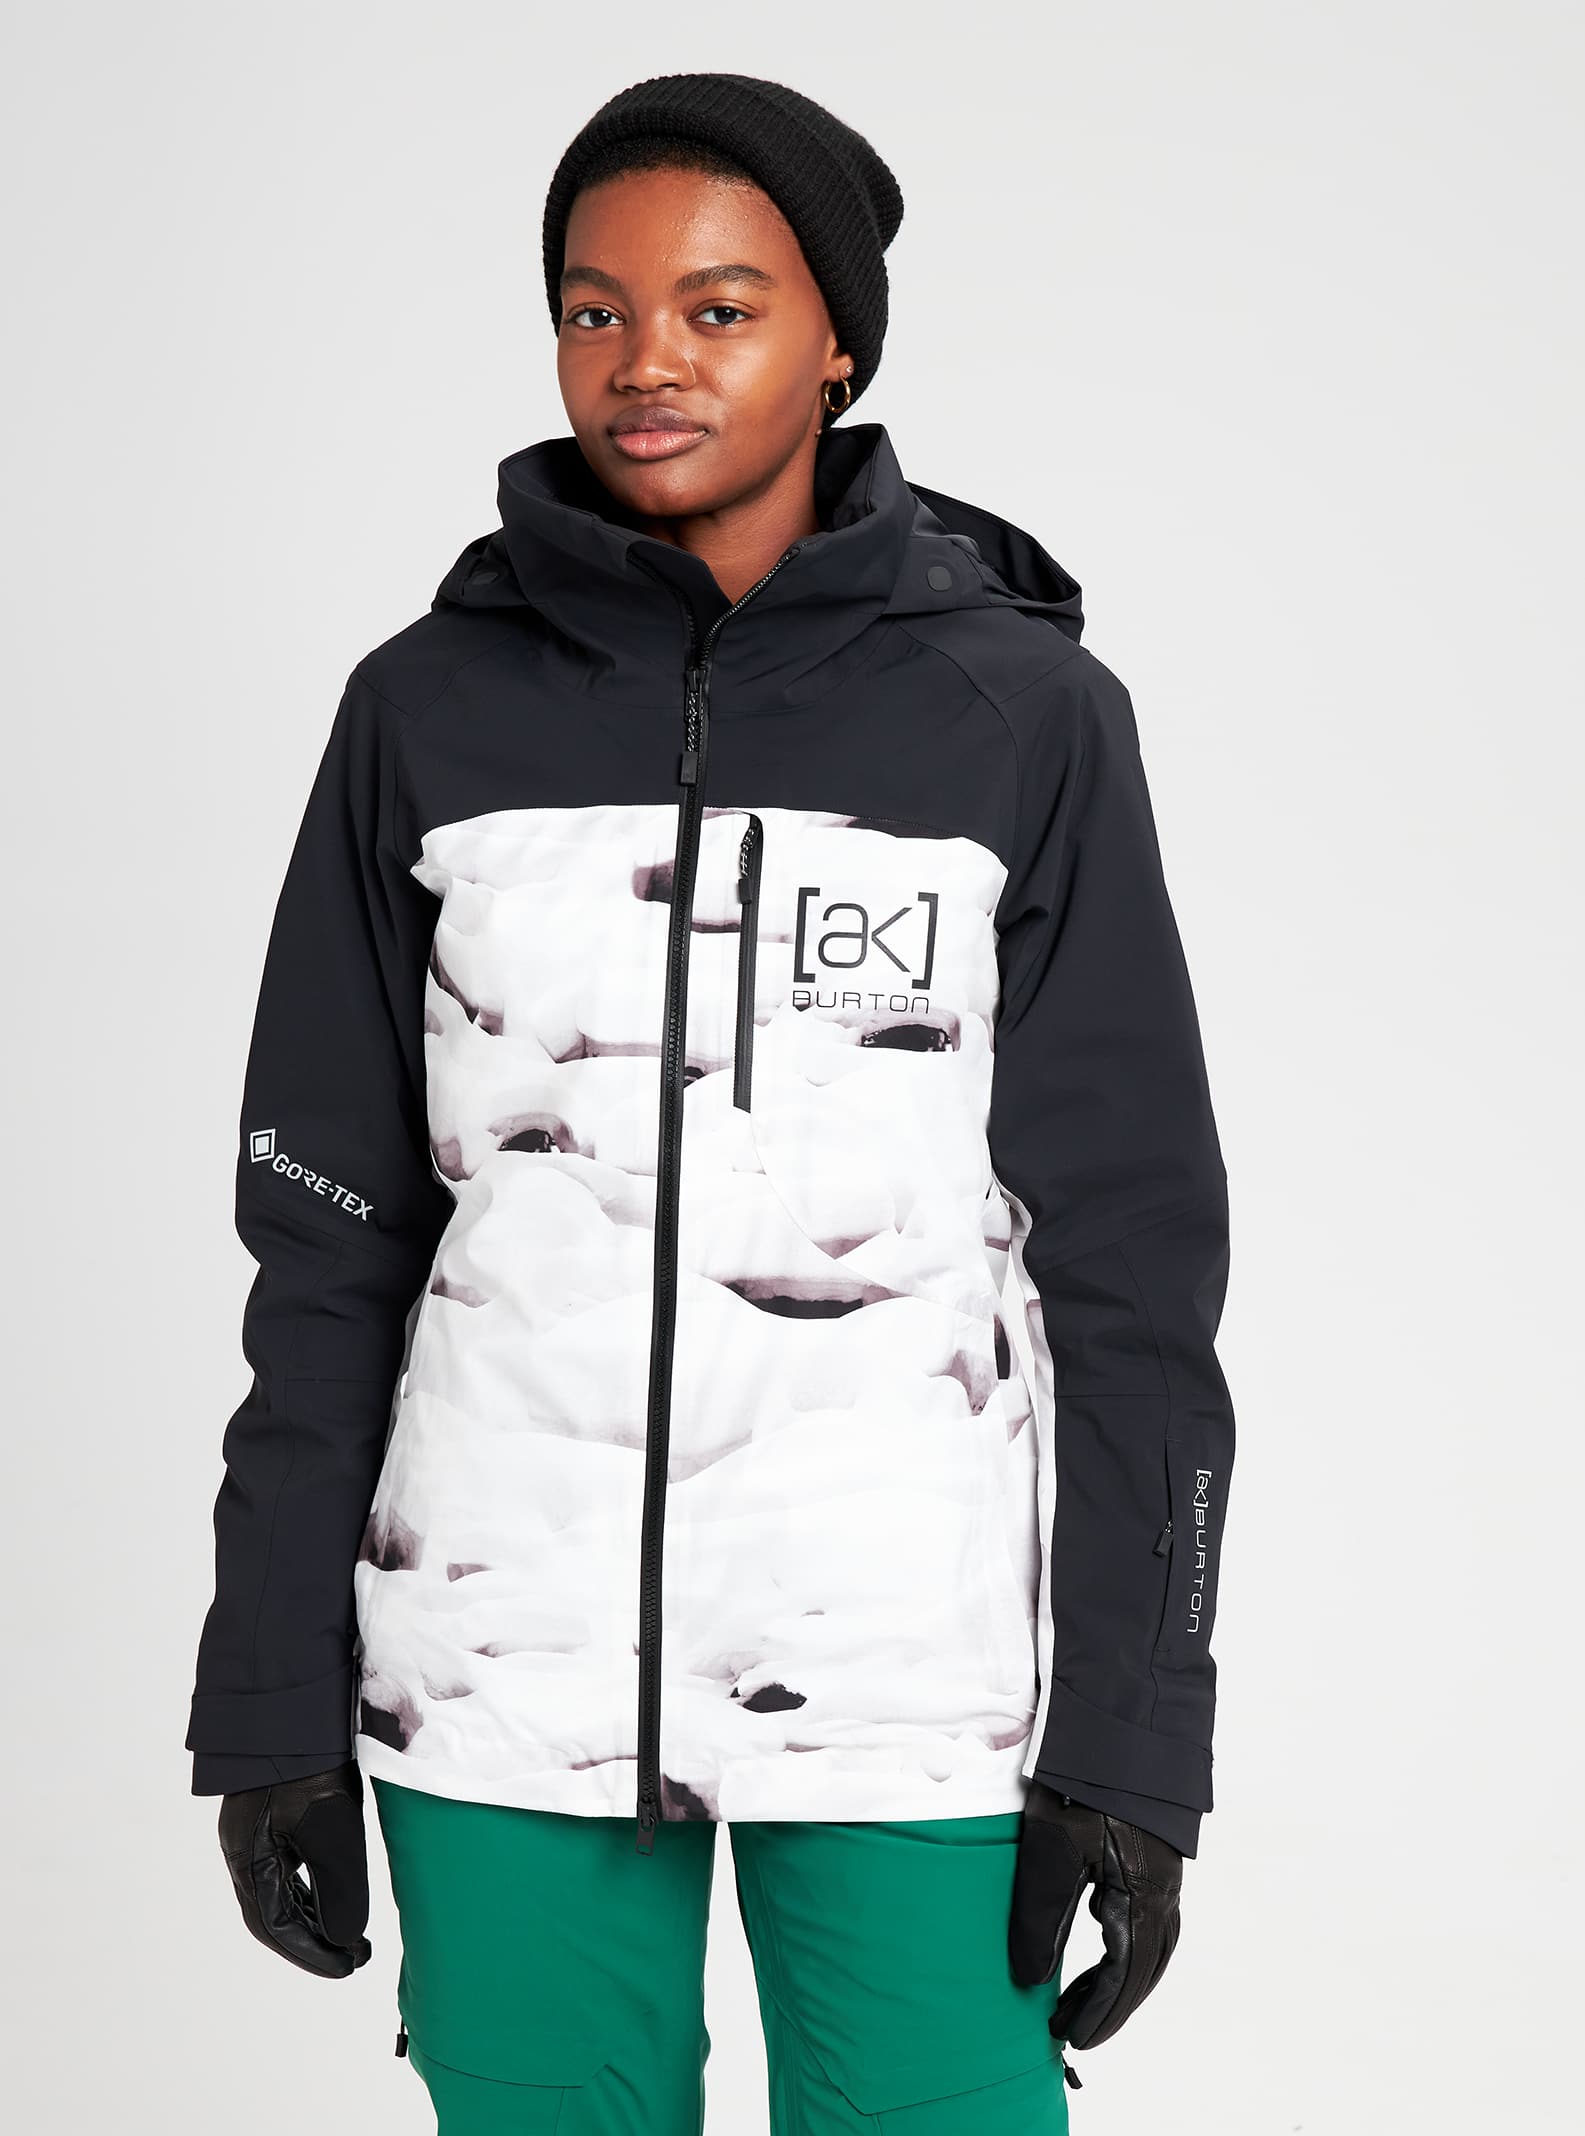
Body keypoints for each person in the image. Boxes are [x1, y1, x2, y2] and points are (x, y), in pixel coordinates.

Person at [188, 71, 1237, 2136]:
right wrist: (266, 1693)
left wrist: (1136, 1732)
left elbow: (1133, 1269)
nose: (645, 361)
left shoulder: (1020, 715)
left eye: (719, 308)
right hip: (495, 1664)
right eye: (594, 310)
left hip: (911, 1678)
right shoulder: (426, 709)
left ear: (838, 341)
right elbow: (324, 1250)